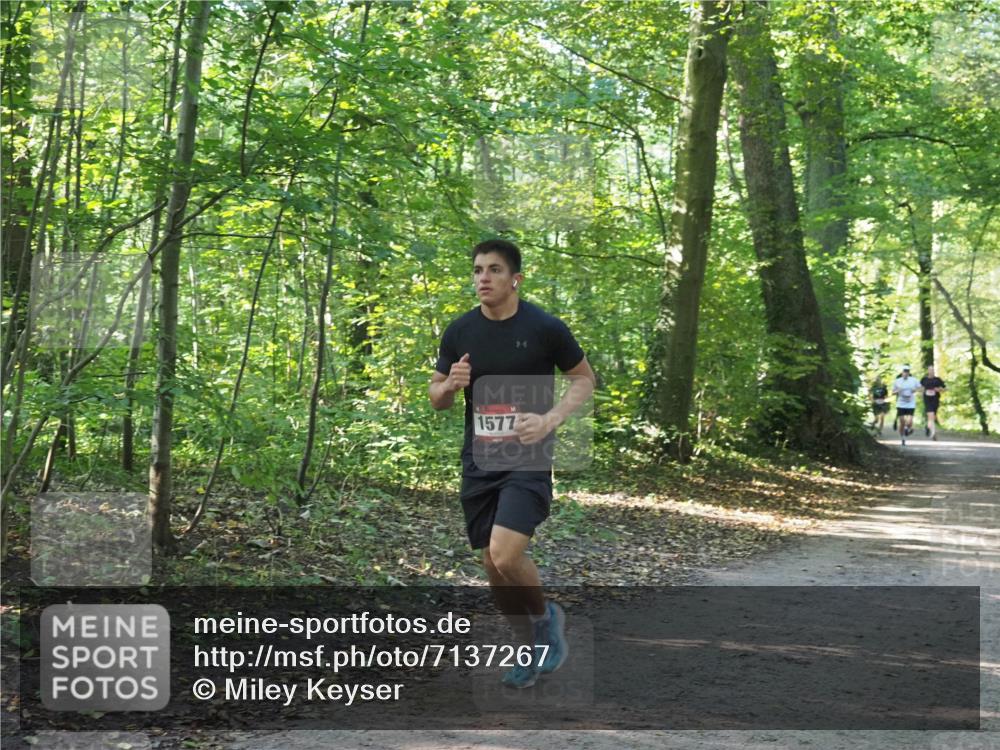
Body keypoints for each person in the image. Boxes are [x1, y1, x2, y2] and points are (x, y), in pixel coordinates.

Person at [429, 238, 596, 689]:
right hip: (480, 459)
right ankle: (527, 643)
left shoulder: (545, 327)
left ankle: (545, 624)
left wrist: (551, 419)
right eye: (479, 270)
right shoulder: (459, 331)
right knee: (491, 562)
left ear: (515, 278)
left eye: (495, 270)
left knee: (506, 552)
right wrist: (449, 388)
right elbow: (436, 397)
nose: (483, 277)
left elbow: (583, 378)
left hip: (528, 457)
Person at [892, 364, 921, 446]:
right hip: (901, 403)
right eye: (904, 371)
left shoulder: (913, 380)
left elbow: (921, 388)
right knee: (902, 421)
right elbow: (892, 392)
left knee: (909, 422)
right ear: (902, 372)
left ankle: (908, 429)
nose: (906, 373)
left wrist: (914, 390)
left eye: (907, 371)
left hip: (911, 403)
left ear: (909, 373)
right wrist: (898, 390)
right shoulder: (897, 381)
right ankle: (903, 438)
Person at [920, 366, 946, 441]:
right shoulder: (924, 379)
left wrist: (939, 389)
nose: (931, 371)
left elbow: (944, 389)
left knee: (933, 417)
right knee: (931, 416)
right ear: (928, 371)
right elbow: (920, 388)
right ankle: (932, 432)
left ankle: (929, 428)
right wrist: (922, 391)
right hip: (927, 399)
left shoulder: (938, 380)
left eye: (933, 370)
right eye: (930, 370)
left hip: (935, 400)